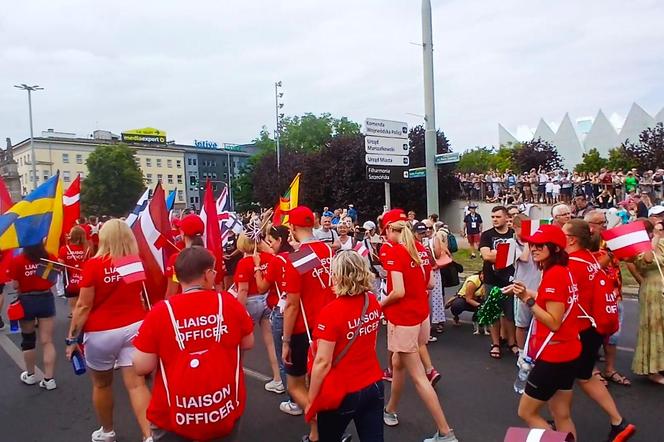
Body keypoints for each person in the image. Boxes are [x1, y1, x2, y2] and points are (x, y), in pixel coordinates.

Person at [133, 247, 254, 441]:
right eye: (214, 271)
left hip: (173, 415)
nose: (215, 275)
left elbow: (141, 366)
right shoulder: (228, 302)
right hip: (223, 407)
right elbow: (248, 342)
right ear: (207, 275)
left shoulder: (160, 311)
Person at [65, 219, 152, 442]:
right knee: (136, 384)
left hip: (101, 332)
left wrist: (71, 339)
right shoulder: (136, 262)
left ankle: (107, 432)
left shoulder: (94, 265)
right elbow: (140, 295)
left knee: (102, 384)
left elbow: (83, 306)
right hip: (134, 327)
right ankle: (149, 435)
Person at [379, 209, 457, 442]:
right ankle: (390, 409)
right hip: (421, 315)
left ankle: (445, 432)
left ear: (391, 230)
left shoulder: (393, 251)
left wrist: (378, 304)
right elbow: (431, 283)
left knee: (418, 377)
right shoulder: (421, 249)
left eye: (386, 230)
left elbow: (398, 291)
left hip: (403, 318)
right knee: (397, 362)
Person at [563, 219, 636, 441]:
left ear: (572, 239)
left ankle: (562, 426)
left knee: (561, 380)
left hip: (580, 330)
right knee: (584, 376)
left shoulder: (570, 264)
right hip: (595, 329)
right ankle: (618, 422)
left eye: (563, 233)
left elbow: (561, 300)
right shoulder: (590, 259)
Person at [508, 225, 580, 438]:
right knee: (561, 414)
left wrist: (527, 300)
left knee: (527, 412)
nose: (535, 248)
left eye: (540, 245)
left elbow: (553, 322)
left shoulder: (554, 275)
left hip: (553, 357)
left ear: (556, 248)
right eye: (532, 244)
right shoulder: (562, 271)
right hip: (568, 351)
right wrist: (525, 291)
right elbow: (550, 300)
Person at [307, 251, 384, 442]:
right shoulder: (372, 301)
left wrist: (311, 399)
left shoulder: (331, 312)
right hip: (373, 382)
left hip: (343, 389)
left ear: (337, 276)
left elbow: (322, 362)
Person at [282, 206, 336, 442]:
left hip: (304, 328)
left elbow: (292, 304)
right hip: (329, 323)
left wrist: (285, 340)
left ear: (292, 228)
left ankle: (322, 424)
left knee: (294, 384)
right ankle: (316, 433)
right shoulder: (328, 249)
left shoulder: (296, 258)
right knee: (319, 380)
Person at [254, 225, 304, 416]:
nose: (270, 245)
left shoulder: (277, 261)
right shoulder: (298, 255)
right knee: (300, 355)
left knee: (285, 357)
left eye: (272, 241)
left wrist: (257, 266)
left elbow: (261, 287)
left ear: (280, 240)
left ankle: (293, 399)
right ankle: (302, 391)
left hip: (281, 310)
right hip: (300, 311)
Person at [234, 233, 283, 394]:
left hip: (251, 301)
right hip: (267, 299)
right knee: (271, 343)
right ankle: (278, 379)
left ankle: (234, 379)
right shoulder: (270, 258)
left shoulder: (244, 263)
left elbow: (242, 290)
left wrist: (238, 314)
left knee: (239, 344)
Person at [7, 243, 58, 390]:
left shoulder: (18, 260)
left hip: (26, 300)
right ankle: (49, 379)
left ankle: (30, 375)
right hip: (45, 298)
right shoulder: (49, 258)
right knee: (47, 341)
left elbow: (15, 285)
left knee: (28, 339)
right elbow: (52, 280)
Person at [479, 206, 516, 359]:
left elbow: (521, 254)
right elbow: (486, 256)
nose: (494, 219)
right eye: (492, 217)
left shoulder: (513, 234)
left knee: (510, 314)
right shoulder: (487, 235)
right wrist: (509, 253)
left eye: (498, 217)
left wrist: (497, 253)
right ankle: (495, 344)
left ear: (507, 218)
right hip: (491, 279)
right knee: (493, 313)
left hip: (510, 279)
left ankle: (512, 343)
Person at [631, 219, 664, 384]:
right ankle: (653, 370)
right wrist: (654, 240)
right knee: (653, 327)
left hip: (661, 287)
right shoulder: (639, 247)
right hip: (652, 290)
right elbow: (647, 260)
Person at [510, 215, 541, 360]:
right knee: (522, 323)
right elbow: (523, 258)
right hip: (521, 288)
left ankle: (534, 351)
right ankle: (522, 353)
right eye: (525, 228)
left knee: (538, 323)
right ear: (516, 228)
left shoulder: (536, 243)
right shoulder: (512, 243)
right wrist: (529, 241)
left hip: (537, 288)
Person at [164, 214, 205, 298]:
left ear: (182, 233)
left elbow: (172, 291)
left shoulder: (177, 259)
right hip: (207, 304)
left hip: (182, 305)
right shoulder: (210, 255)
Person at [58, 225, 90, 317]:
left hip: (70, 280)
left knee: (74, 307)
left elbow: (60, 266)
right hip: (85, 279)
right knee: (84, 305)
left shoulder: (64, 249)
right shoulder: (87, 249)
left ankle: (76, 324)